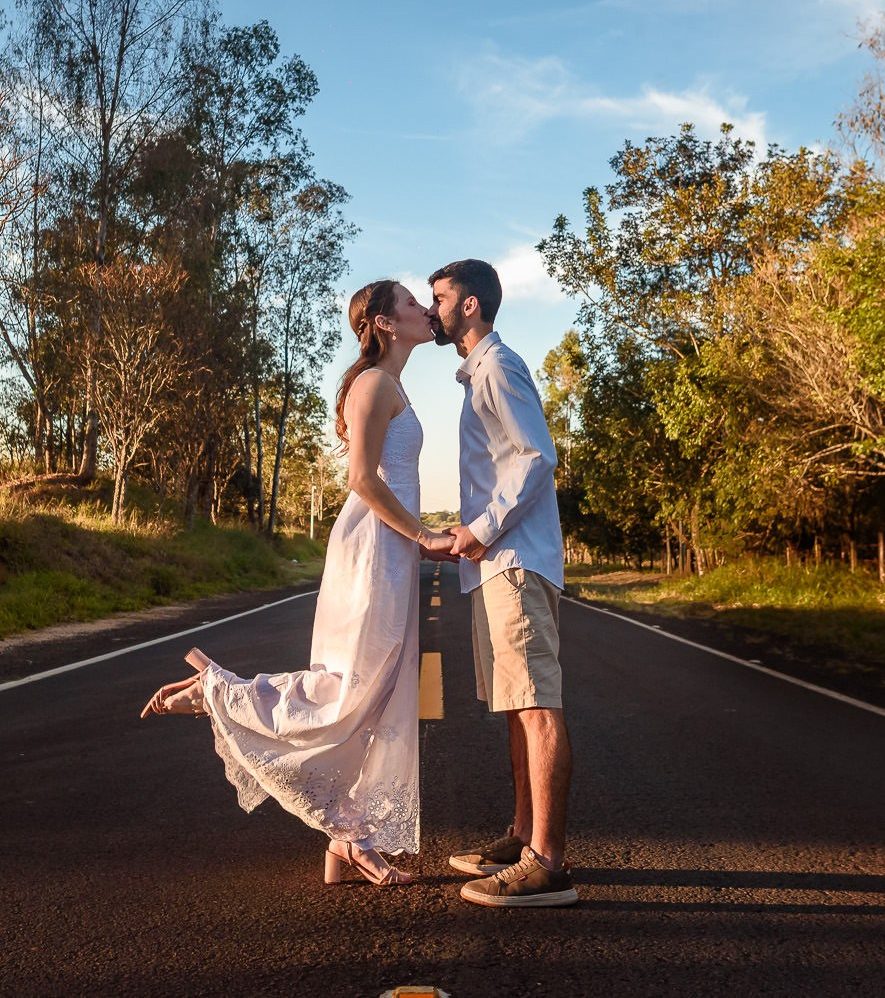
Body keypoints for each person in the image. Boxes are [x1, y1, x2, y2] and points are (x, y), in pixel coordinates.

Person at [141, 279, 453, 886]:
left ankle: (347, 836)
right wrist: (423, 537)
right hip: (373, 550)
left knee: (376, 693)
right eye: (413, 303)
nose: (424, 310)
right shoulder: (373, 384)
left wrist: (423, 540)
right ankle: (217, 693)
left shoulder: (392, 383)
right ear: (385, 323)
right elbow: (363, 480)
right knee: (347, 692)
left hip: (390, 551)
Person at [429, 258, 578, 908]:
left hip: (514, 560)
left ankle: (547, 860)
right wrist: (464, 538)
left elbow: (536, 456)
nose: (430, 306)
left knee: (537, 705)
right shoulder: (479, 375)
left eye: (438, 297)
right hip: (495, 563)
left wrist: (482, 529)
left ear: (469, 306)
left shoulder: (497, 366)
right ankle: (522, 836)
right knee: (517, 706)